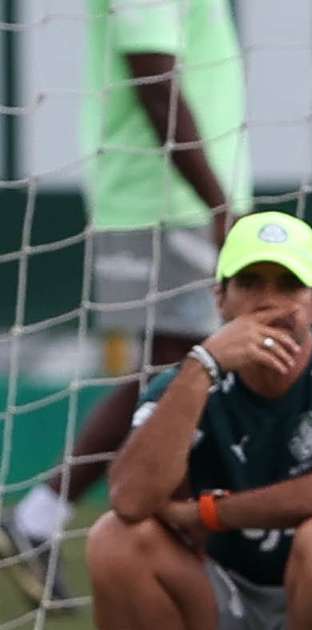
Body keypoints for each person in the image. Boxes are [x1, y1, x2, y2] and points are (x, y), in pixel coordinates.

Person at [0, 0, 251, 604]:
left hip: (169, 201)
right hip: (163, 203)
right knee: (186, 370)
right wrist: (218, 204)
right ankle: (68, 520)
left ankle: (42, 517)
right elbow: (153, 77)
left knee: (176, 370)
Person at [84, 212, 312, 630]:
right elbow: (129, 500)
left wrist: (209, 514)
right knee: (115, 542)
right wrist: (203, 365)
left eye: (288, 286)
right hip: (235, 597)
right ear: (220, 298)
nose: (268, 302)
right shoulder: (185, 383)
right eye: (249, 284)